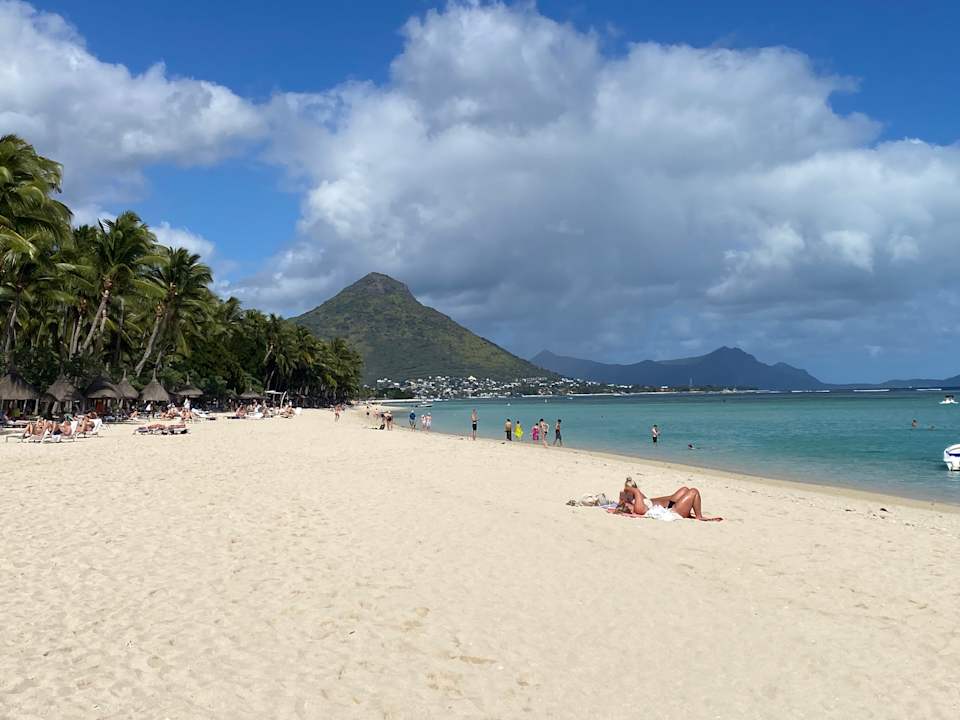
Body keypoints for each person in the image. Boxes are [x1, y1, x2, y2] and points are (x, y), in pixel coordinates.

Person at [616, 477, 721, 521]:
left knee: (685, 489)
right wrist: (630, 491)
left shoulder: (636, 499)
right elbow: (635, 495)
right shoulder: (637, 506)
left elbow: (637, 492)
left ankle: (692, 513)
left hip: (669, 509)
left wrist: (629, 491)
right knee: (694, 491)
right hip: (673, 513)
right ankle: (699, 517)